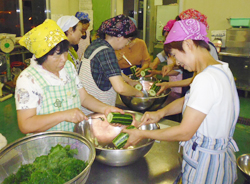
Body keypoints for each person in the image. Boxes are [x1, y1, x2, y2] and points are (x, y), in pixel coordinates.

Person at [123, 19, 239, 184]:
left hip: (206, 168)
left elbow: (185, 132)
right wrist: (160, 113)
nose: (177, 63)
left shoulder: (205, 79)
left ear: (188, 44)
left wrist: (141, 134)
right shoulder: (220, 69)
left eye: (176, 55)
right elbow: (191, 100)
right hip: (218, 161)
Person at [15, 19, 123, 134]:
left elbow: (83, 98)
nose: (64, 59)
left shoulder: (68, 68)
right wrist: (64, 115)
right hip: (46, 147)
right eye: (57, 55)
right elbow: (26, 125)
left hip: (73, 139)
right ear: (42, 55)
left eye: (65, 52)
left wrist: (105, 109)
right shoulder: (28, 79)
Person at [78, 14, 143, 115]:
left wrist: (129, 81)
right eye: (128, 40)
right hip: (96, 112)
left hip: (86, 109)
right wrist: (138, 93)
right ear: (119, 36)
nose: (127, 44)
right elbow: (120, 88)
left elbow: (111, 71)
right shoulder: (107, 51)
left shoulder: (96, 45)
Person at [149, 19, 183, 93]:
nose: (167, 39)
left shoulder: (180, 51)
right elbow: (162, 55)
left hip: (180, 87)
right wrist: (154, 64)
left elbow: (177, 71)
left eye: (169, 36)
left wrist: (156, 72)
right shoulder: (169, 49)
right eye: (165, 37)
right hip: (172, 86)